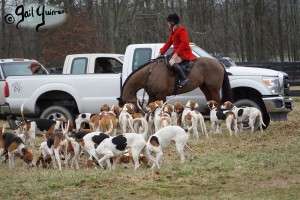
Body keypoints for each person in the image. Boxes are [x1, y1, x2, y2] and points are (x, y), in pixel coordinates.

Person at [157, 13, 196, 87]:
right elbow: (168, 43)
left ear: (172, 22)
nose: (167, 23)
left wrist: (176, 53)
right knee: (166, 60)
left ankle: (184, 79)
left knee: (171, 62)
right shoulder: (173, 31)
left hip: (184, 53)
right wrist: (160, 53)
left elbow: (185, 42)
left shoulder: (181, 30)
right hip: (178, 53)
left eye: (168, 22)